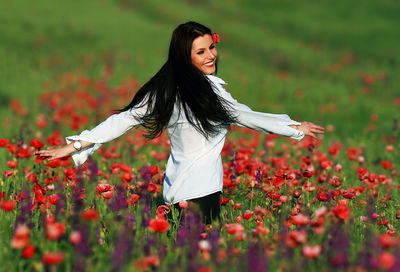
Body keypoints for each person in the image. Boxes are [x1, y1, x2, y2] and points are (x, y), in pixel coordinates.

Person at [36, 21, 324, 224]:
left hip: (174, 191)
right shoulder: (203, 91)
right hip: (202, 191)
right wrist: (293, 128)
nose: (211, 55)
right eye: (201, 52)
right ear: (184, 56)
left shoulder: (164, 88)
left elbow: (122, 120)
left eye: (211, 47)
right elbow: (243, 115)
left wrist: (75, 145)